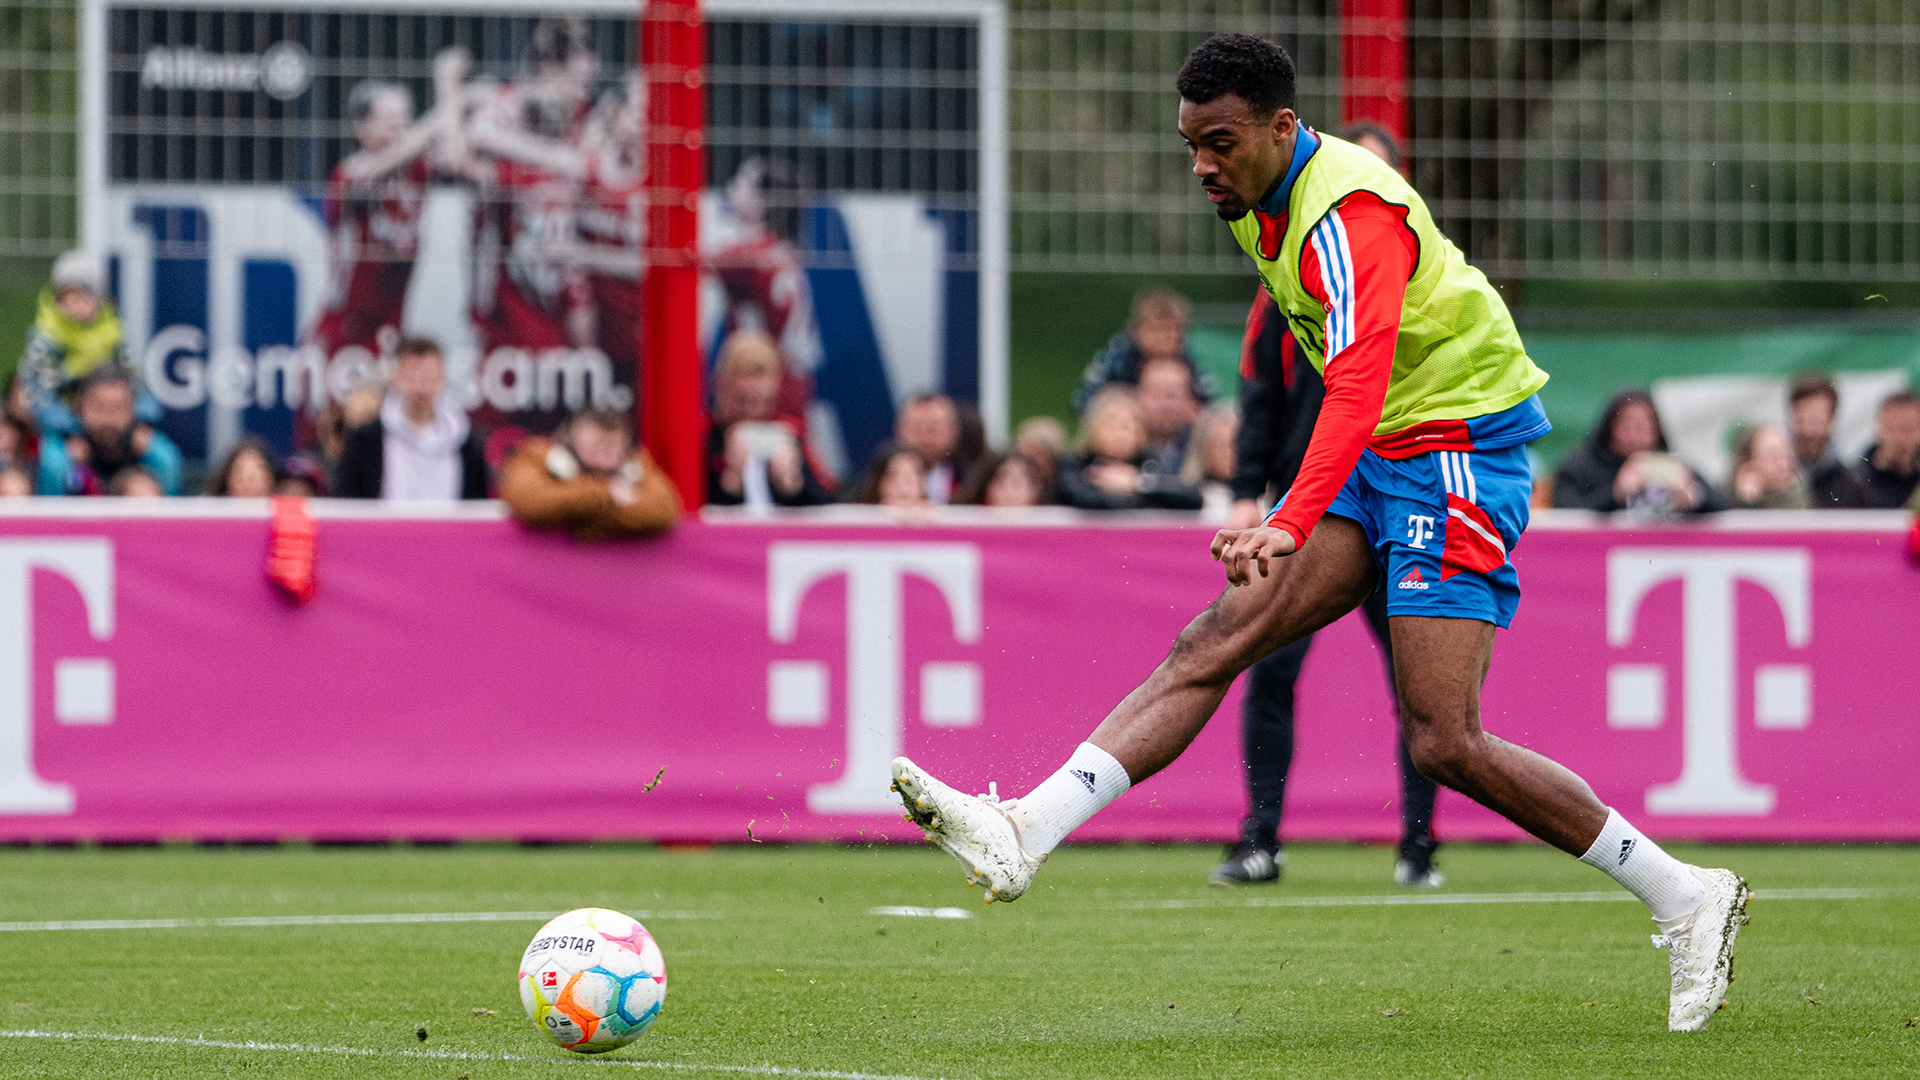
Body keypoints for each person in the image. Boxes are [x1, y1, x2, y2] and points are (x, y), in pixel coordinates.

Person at [889, 33, 1748, 1034]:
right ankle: (1024, 832)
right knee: (1218, 637)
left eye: (1221, 142)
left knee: (1443, 739)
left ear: (1283, 129)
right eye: (1191, 145)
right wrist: (1291, 504)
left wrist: (1288, 516)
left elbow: (1357, 378)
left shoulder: (1347, 214)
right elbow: (1334, 388)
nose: (1204, 165)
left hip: (1458, 451)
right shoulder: (1259, 202)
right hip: (1390, 452)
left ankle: (1686, 895)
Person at [1215, 288, 1442, 888]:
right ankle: (1261, 836)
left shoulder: (1404, 276)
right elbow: (1261, 392)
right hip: (1304, 514)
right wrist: (1247, 488)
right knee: (1270, 673)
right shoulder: (1279, 286)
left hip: (1398, 506)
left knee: (1422, 687)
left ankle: (1417, 843)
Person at [16, 250, 161, 438]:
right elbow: (36, 388)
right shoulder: (47, 340)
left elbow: (131, 375)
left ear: (98, 299)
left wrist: (142, 409)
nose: (74, 307)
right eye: (66, 299)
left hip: (114, 422)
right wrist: (64, 423)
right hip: (61, 425)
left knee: (162, 456)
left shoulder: (114, 334)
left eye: (82, 298)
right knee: (56, 462)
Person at [335, 337, 488, 500]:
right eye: (411, 378)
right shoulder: (366, 440)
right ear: (396, 378)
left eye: (430, 378)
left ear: (442, 379)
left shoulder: (466, 444)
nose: (421, 388)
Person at [500, 408, 681, 539]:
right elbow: (532, 504)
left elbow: (663, 511)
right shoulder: (536, 457)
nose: (602, 457)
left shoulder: (638, 465)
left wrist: (576, 513)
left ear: (625, 447)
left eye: (611, 447)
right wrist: (608, 495)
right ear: (569, 439)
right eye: (594, 446)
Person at [706, 330, 834, 508]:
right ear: (720, 385)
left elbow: (830, 505)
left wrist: (792, 487)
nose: (749, 411)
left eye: (760, 401)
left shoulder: (788, 433)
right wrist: (731, 483)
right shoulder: (698, 435)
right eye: (740, 399)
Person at [1552, 390, 1719, 515]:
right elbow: (1564, 515)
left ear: (1657, 429)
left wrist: (1692, 497)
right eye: (1626, 424)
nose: (1634, 434)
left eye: (1642, 426)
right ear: (1609, 427)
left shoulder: (1672, 463)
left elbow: (1725, 508)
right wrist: (1615, 495)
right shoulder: (1580, 465)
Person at [36, 367, 182, 496]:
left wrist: (153, 454)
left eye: (117, 408)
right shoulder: (62, 450)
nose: (108, 419)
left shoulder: (149, 450)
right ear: (79, 408)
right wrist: (68, 464)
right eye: (98, 407)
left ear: (133, 411)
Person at [1056, 386, 1203, 511]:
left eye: (1127, 426)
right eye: (1111, 425)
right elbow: (1083, 499)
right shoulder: (1074, 464)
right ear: (1092, 429)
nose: (1119, 434)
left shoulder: (1150, 464)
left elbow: (1191, 497)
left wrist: (1136, 483)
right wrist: (1148, 499)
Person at [1073, 289, 1214, 414]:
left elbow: (1210, 405)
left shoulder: (1189, 362)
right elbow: (1082, 402)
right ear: (1135, 331)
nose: (1166, 337)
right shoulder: (1117, 359)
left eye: (1173, 329)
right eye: (1157, 329)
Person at [1787, 373, 1867, 508]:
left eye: (1815, 421)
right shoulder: (1772, 481)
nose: (1807, 431)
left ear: (1831, 420)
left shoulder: (1852, 485)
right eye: (1800, 421)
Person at [894, 393, 973, 505]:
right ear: (899, 429)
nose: (925, 438)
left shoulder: (973, 480)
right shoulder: (878, 478)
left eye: (934, 429)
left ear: (954, 430)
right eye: (917, 429)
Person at [1853, 391, 1920, 508]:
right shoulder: (1852, 483)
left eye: (1908, 429)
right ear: (1877, 429)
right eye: (1891, 428)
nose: (1899, 438)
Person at [1138, 356, 1204, 474]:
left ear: (1191, 401)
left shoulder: (1206, 451)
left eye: (1172, 395)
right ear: (1138, 397)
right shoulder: (1119, 449)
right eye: (1155, 394)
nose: (1164, 404)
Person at [1725, 425, 1810, 509]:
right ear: (1749, 466)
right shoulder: (1725, 499)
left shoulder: (1802, 492)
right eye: (1772, 457)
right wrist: (1747, 500)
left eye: (1785, 455)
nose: (1782, 464)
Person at [957, 451, 1052, 508]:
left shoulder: (1054, 525)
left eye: (1016, 484)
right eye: (1000, 483)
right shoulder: (966, 522)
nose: (1008, 491)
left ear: (1035, 489)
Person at [850, 444, 930, 510]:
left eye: (908, 480)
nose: (902, 488)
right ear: (879, 483)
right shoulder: (855, 519)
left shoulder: (937, 521)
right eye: (893, 478)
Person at [206, 437, 280, 498]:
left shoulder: (285, 512)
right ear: (227, 480)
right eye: (240, 475)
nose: (249, 482)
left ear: (271, 479)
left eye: (257, 474)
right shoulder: (211, 513)